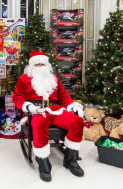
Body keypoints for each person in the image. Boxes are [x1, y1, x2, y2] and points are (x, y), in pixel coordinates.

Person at [13, 51, 85, 182]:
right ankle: (42, 160)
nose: (40, 66)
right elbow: (17, 97)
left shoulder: (54, 78)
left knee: (77, 122)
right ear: (31, 65)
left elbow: (64, 97)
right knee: (39, 124)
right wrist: (29, 107)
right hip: (37, 110)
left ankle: (70, 159)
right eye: (37, 64)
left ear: (47, 65)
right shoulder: (24, 78)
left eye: (42, 63)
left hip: (54, 109)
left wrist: (73, 106)